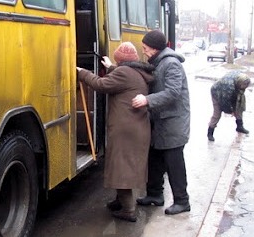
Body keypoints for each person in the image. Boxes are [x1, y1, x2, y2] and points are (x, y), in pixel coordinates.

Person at [77, 42, 154, 222]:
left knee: (122, 168)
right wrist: (111, 67)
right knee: (123, 165)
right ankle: (120, 201)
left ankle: (128, 210)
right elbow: (122, 80)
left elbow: (101, 85)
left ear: (121, 60)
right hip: (135, 127)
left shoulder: (124, 73)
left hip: (126, 129)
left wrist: (82, 72)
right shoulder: (136, 71)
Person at [132, 30, 191, 215]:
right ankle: (155, 195)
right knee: (155, 159)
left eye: (146, 48)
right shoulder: (159, 62)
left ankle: (182, 201)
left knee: (174, 163)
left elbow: (173, 92)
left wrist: (147, 100)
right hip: (161, 122)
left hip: (173, 124)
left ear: (155, 48)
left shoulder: (171, 64)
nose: (144, 52)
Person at [207, 71, 251, 141]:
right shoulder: (229, 87)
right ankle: (210, 132)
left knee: (239, 107)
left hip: (230, 92)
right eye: (243, 87)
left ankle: (240, 126)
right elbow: (225, 102)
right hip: (217, 93)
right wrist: (231, 111)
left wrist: (237, 107)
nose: (244, 88)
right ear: (239, 83)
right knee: (217, 114)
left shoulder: (241, 77)